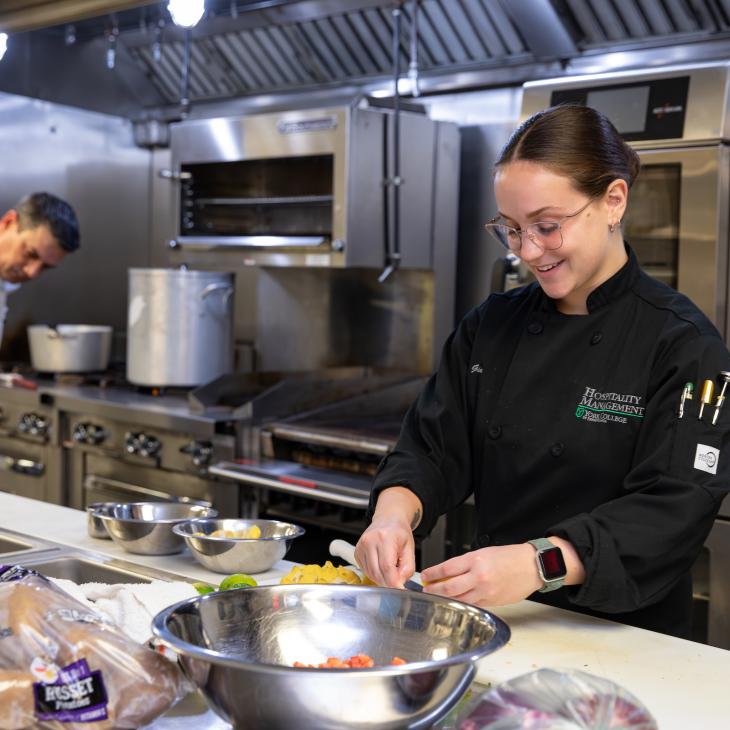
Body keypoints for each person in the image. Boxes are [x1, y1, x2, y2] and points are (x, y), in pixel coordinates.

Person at [355, 104, 730, 639]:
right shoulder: (492, 324)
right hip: (499, 622)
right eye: (510, 229)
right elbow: (430, 450)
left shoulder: (685, 345)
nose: (527, 251)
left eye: (547, 227)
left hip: (625, 641)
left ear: (613, 201)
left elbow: (673, 509)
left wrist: (539, 564)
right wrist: (392, 517)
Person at [0, 192, 80, 343]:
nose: (32, 273)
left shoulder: (6, 284)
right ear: (8, 222)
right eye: (30, 253)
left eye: (45, 267)